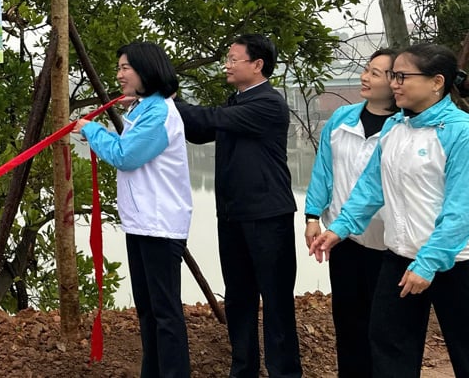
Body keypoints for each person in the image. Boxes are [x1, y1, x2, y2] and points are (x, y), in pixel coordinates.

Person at [310, 43, 469, 377]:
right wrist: (338, 229)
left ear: (436, 82)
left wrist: (427, 264)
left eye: (402, 76)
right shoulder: (395, 128)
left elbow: (461, 210)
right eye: (393, 76)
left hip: (456, 262)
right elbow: (370, 189)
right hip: (400, 257)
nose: (394, 83)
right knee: (388, 346)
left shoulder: (461, 133)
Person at [175, 34, 301, 378]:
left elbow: (213, 118)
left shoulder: (267, 103)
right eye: (226, 59)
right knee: (239, 298)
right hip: (232, 214)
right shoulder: (236, 101)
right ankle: (242, 369)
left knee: (275, 300)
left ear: (257, 65)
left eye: (233, 59)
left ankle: (284, 372)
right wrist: (166, 105)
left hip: (267, 215)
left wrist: (168, 101)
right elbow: (201, 129)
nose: (226, 66)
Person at [74, 42, 192, 377]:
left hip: (159, 225)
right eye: (119, 67)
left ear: (147, 69)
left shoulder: (159, 113)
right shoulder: (144, 108)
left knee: (165, 313)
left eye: (126, 67)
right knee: (149, 312)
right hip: (142, 224)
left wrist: (92, 129)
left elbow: (126, 155)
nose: (120, 74)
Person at [302, 48, 396, 377]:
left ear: (395, 80)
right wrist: (312, 216)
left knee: (383, 326)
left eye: (375, 72)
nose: (365, 77)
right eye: (366, 69)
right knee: (348, 319)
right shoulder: (342, 119)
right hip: (342, 238)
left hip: (390, 243)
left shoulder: (403, 126)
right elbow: (322, 172)